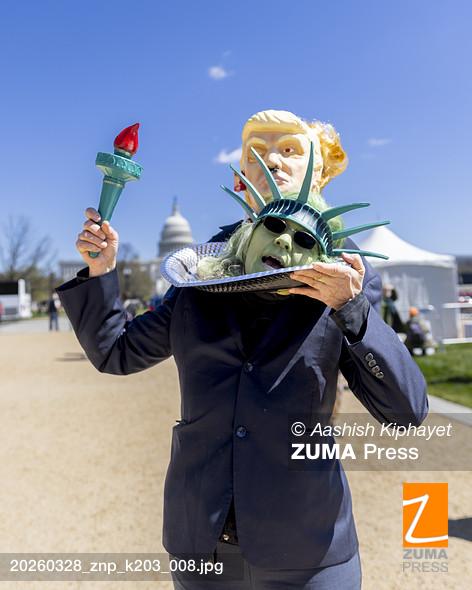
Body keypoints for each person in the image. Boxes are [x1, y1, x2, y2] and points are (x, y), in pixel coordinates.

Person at [56, 110, 428, 589]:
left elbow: (406, 412)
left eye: (289, 150)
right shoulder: (197, 274)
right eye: (257, 152)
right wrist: (102, 270)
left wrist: (351, 309)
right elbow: (116, 352)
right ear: (241, 177)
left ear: (319, 172)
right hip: (201, 543)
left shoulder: (349, 276)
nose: (271, 160)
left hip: (308, 548)